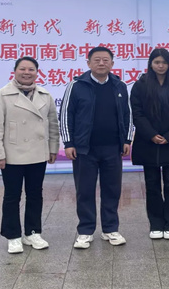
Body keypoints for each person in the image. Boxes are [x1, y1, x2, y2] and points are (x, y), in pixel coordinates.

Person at [60, 46, 134, 249]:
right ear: (88, 63)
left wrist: (127, 140)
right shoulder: (76, 85)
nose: (101, 63)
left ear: (112, 63)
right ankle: (85, 231)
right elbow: (66, 115)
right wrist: (69, 143)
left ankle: (110, 229)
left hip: (112, 148)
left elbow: (127, 115)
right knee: (84, 190)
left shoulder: (119, 86)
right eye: (97, 60)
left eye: (105, 60)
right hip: (85, 149)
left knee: (112, 190)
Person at [0, 56, 60, 254]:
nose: (27, 73)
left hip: (38, 153)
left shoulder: (45, 95)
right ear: (15, 71)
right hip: (12, 155)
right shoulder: (2, 95)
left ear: (37, 72)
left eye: (31, 69)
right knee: (12, 196)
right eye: (22, 69)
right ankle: (13, 236)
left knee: (35, 194)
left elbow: (53, 124)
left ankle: (33, 232)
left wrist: (53, 148)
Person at [130, 48, 169, 240]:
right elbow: (137, 113)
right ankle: (156, 223)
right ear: (151, 64)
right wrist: (151, 134)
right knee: (152, 184)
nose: (160, 66)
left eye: (164, 62)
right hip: (148, 142)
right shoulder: (140, 84)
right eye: (157, 62)